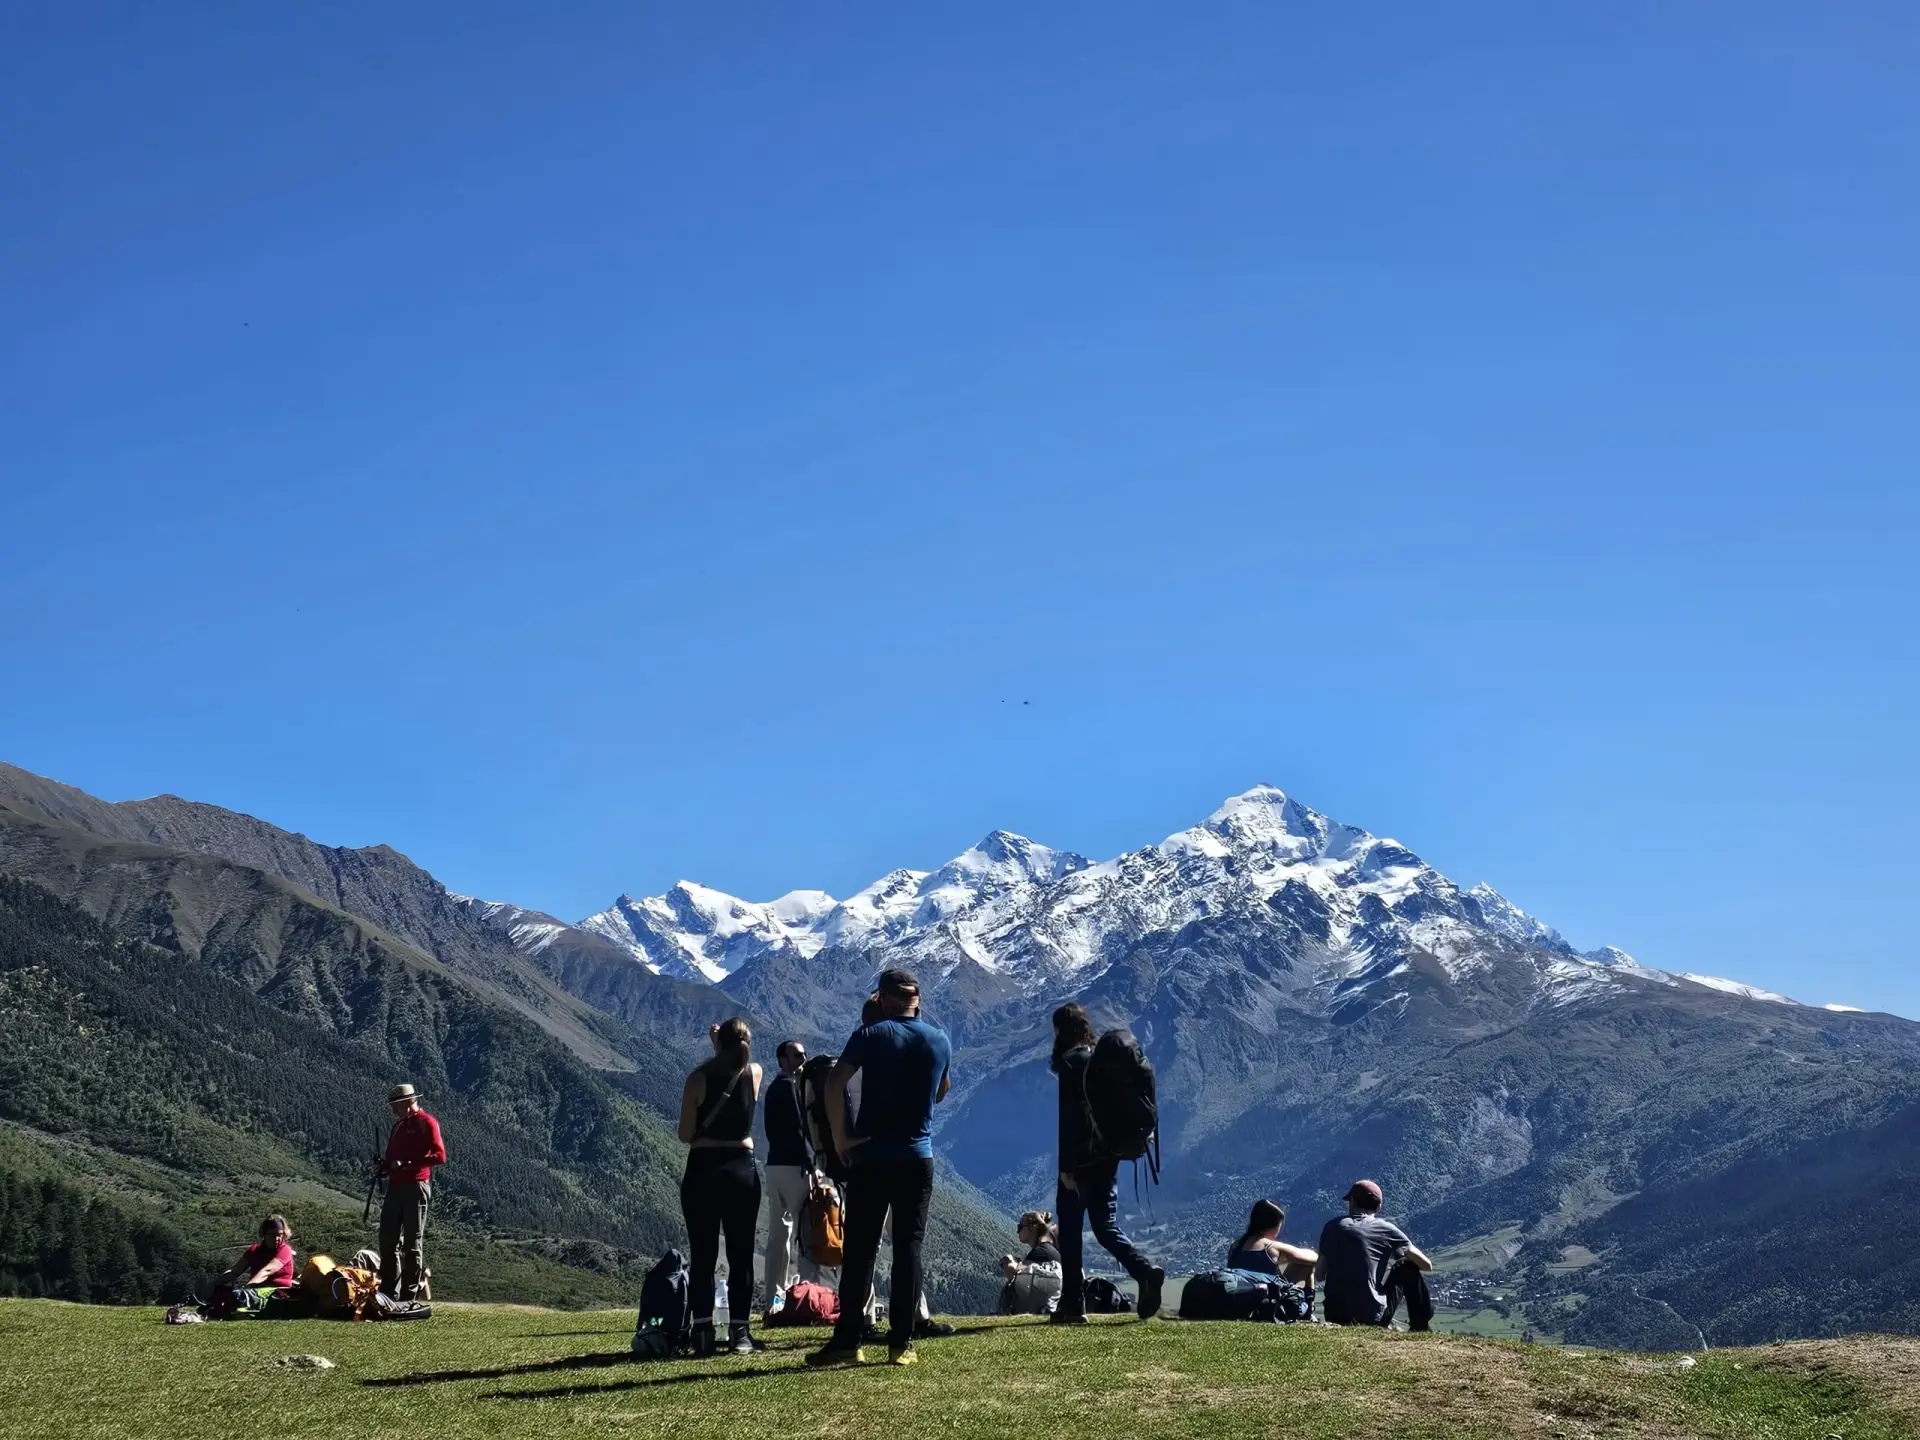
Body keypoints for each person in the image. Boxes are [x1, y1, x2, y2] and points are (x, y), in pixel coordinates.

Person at [806, 967, 952, 1368]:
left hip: (871, 1156)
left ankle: (848, 1340)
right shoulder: (939, 1039)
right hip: (918, 1158)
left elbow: (835, 1083)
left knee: (860, 1249)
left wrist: (841, 1137)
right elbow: (941, 1091)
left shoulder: (870, 1036)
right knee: (909, 1248)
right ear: (916, 1000)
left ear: (883, 999)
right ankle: (902, 1343)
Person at [1049, 1003, 1166, 1324]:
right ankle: (1144, 1271)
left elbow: (1069, 1123)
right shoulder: (1101, 1061)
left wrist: (1066, 1169)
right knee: (1105, 1227)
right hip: (1108, 1157)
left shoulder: (1073, 1064)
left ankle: (1072, 1304)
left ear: (1060, 1031)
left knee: (1070, 1232)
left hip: (1079, 1162)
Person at [678, 1017, 765, 1357]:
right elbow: (738, 1060)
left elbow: (686, 1134)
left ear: (719, 1044)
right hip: (742, 1172)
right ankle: (740, 1334)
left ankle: (702, 1332)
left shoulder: (697, 1080)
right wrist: (724, 1044)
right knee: (741, 1255)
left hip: (703, 1170)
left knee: (703, 1254)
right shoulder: (754, 1074)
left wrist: (715, 1048)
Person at [1315, 1179, 1434, 1331]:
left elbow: (1319, 1275)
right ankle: (1420, 1326)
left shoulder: (1331, 1227)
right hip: (1371, 1318)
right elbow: (1426, 1265)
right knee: (1406, 1265)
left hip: (1334, 1315)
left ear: (1352, 1202)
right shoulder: (1386, 1229)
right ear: (1378, 1207)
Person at [762, 1038, 820, 1319]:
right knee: (809, 1231)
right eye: (797, 1056)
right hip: (794, 1166)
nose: (803, 1060)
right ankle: (810, 1297)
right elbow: (800, 1128)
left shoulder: (774, 1087)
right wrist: (810, 1161)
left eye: (804, 1055)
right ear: (782, 1060)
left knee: (779, 1233)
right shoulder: (789, 1087)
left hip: (774, 1165)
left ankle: (775, 1298)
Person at [379, 1083, 447, 1301]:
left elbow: (439, 1156)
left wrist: (407, 1164)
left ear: (408, 1102)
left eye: (396, 1105)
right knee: (387, 1239)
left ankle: (408, 1296)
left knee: (411, 1242)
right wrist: (385, 1166)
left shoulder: (427, 1123)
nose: (393, 1110)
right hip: (396, 1186)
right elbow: (393, 1159)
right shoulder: (398, 1126)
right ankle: (389, 1293)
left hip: (415, 1186)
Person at [210, 1214, 296, 1314]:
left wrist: (248, 1287)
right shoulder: (255, 1250)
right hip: (256, 1291)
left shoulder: (285, 1250)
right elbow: (235, 1270)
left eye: (280, 1235)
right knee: (223, 1293)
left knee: (239, 1297)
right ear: (264, 1234)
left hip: (277, 1293)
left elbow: (267, 1271)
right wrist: (214, 1284)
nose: (277, 1238)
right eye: (272, 1235)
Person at [1227, 1198, 1318, 1288]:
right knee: (1305, 1265)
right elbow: (1314, 1258)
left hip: (1237, 1300)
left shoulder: (1235, 1246)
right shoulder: (1270, 1246)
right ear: (1275, 1226)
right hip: (1266, 1299)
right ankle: (1308, 1301)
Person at [999, 1210, 1064, 1315]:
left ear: (1032, 1228)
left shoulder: (1040, 1253)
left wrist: (1008, 1261)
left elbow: (1016, 1276)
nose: (1018, 1231)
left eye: (1020, 1227)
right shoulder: (1047, 1249)